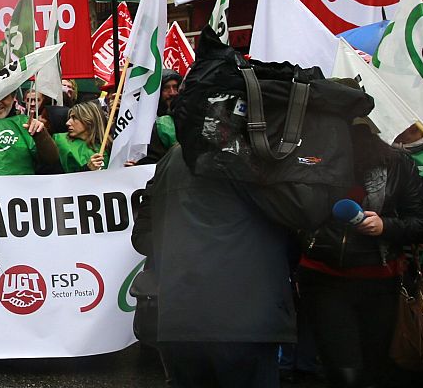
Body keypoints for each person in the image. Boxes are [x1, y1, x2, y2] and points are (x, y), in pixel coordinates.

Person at [132, 145, 328, 388]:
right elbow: (302, 217)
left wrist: (179, 255)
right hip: (245, 318)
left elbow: (142, 234)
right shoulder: (259, 155)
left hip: (182, 313)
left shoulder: (172, 158)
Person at [296, 119, 423, 388]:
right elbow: (292, 213)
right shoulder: (313, 161)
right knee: (345, 373)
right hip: (324, 280)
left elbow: (420, 223)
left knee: (374, 369)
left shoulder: (399, 164)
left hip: (380, 282)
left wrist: (385, 226)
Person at [48, 100, 107, 172]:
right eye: (69, 118)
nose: (67, 123)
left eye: (74, 118)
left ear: (89, 120)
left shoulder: (108, 146)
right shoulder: (61, 141)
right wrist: (87, 169)